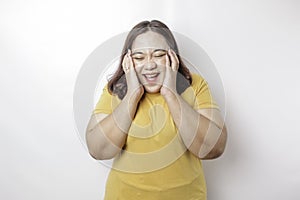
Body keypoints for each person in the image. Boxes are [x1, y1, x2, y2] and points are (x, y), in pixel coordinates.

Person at [86, 20, 227, 200]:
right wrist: (132, 95)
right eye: (139, 57)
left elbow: (213, 148)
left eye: (158, 55)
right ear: (128, 60)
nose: (149, 65)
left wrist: (171, 94)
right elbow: (98, 150)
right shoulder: (117, 89)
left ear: (172, 57)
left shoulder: (195, 85)